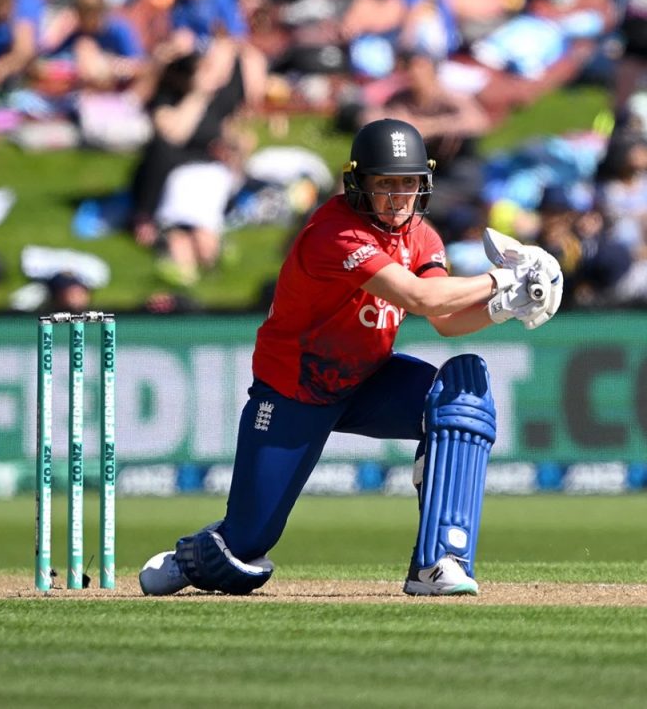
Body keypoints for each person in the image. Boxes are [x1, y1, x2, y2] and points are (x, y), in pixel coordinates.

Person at [138, 119, 563, 598]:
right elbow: (420, 297)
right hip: (296, 389)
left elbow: (445, 320)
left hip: (367, 379)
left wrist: (505, 307)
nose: (399, 197)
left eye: (408, 183)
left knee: (461, 397)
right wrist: (504, 280)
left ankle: (439, 561)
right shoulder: (334, 232)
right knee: (246, 550)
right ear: (358, 184)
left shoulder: (420, 235)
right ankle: (193, 557)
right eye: (385, 184)